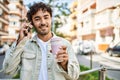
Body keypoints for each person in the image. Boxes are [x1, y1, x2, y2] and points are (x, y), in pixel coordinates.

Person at [2, 2, 80, 80]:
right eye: (37, 19)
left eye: (46, 17)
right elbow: (8, 70)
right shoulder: (24, 46)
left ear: (51, 19)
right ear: (31, 23)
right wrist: (19, 41)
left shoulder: (65, 44)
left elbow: (75, 76)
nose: (43, 22)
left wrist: (65, 64)